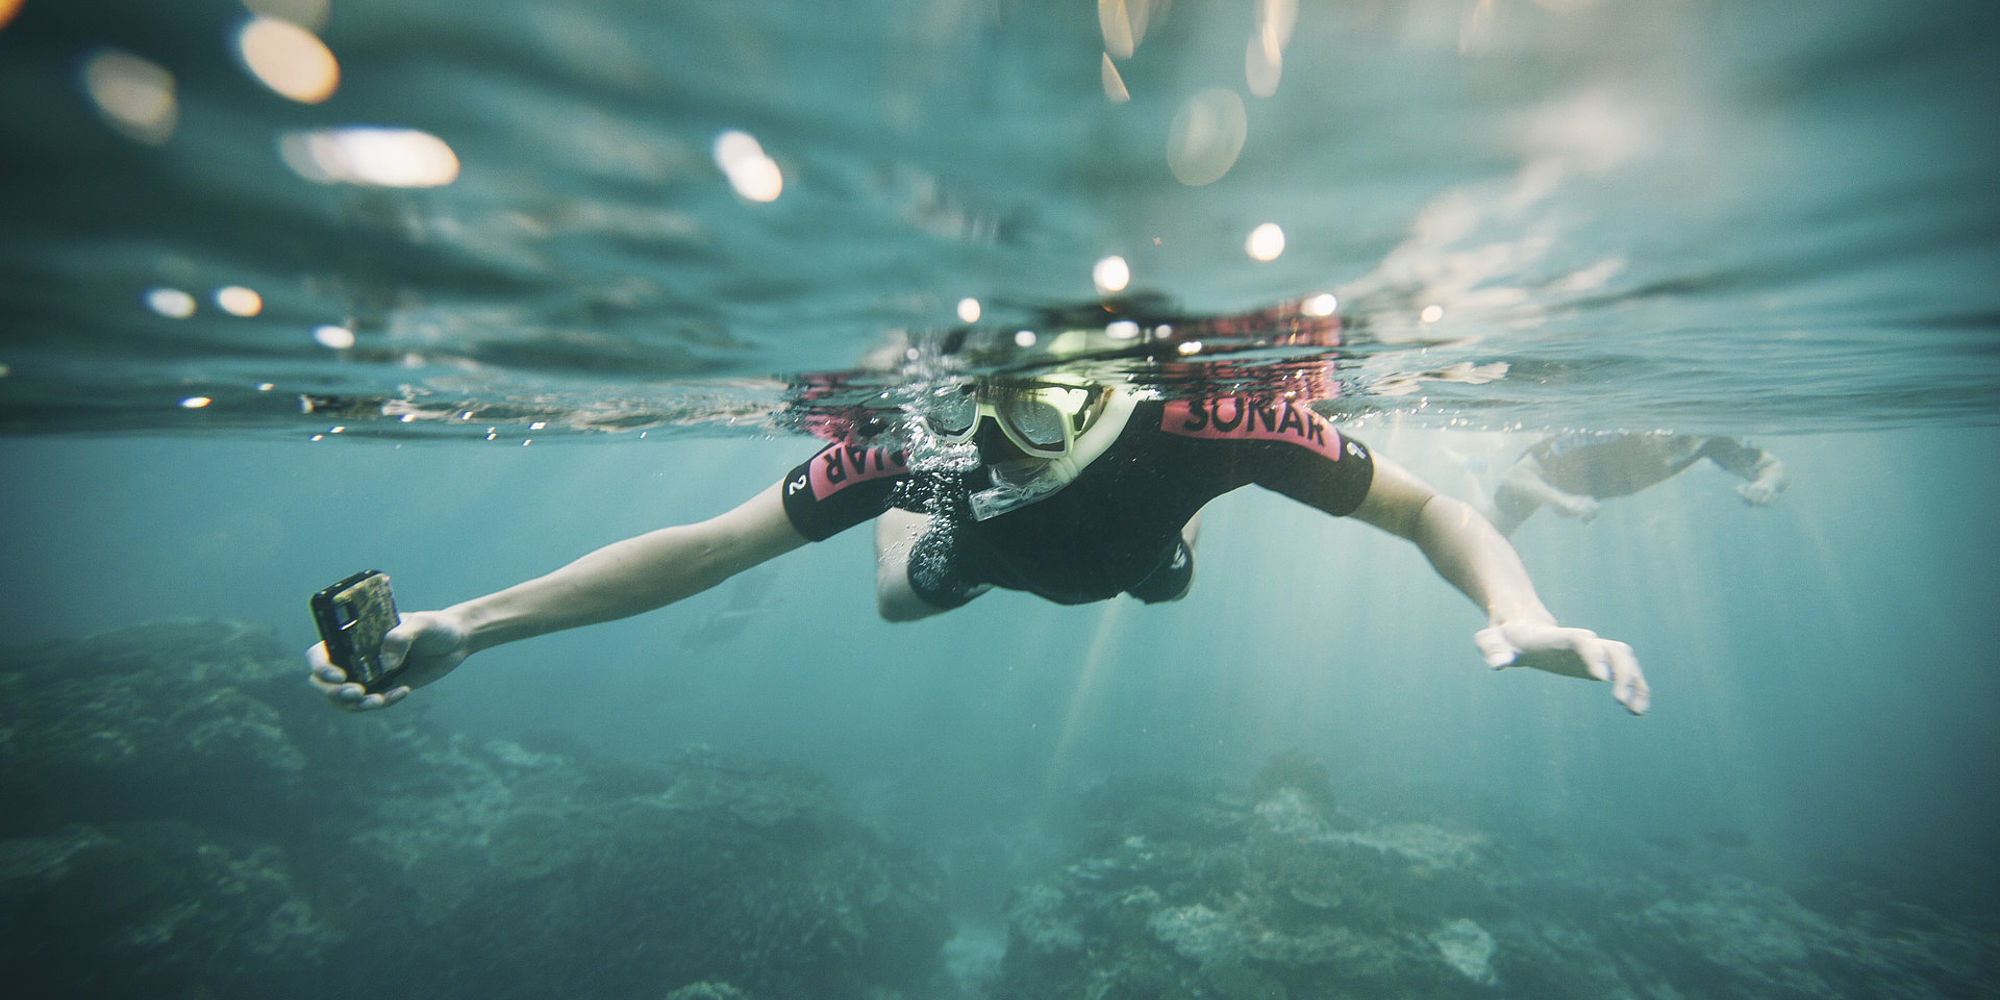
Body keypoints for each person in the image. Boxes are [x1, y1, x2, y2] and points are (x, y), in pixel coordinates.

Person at [308, 373, 1651, 715]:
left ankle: (1158, 554)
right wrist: (467, 623)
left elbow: (1427, 506)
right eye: (963, 404)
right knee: (913, 587)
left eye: (1025, 403)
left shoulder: (1212, 416)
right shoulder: (923, 451)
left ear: (1114, 386)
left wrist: (1522, 608)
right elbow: (707, 550)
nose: (987, 438)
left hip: (1138, 548)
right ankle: (920, 557)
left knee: (1158, 575)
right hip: (967, 557)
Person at [1487, 431, 1788, 538]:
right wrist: (1564, 501)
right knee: (1492, 533)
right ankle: (1470, 471)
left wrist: (1767, 485)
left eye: (1689, 440)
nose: (1681, 448)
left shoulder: (1707, 442)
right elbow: (1516, 476)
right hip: (1548, 482)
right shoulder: (1604, 434)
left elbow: (1772, 466)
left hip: (1579, 492)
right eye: (1671, 439)